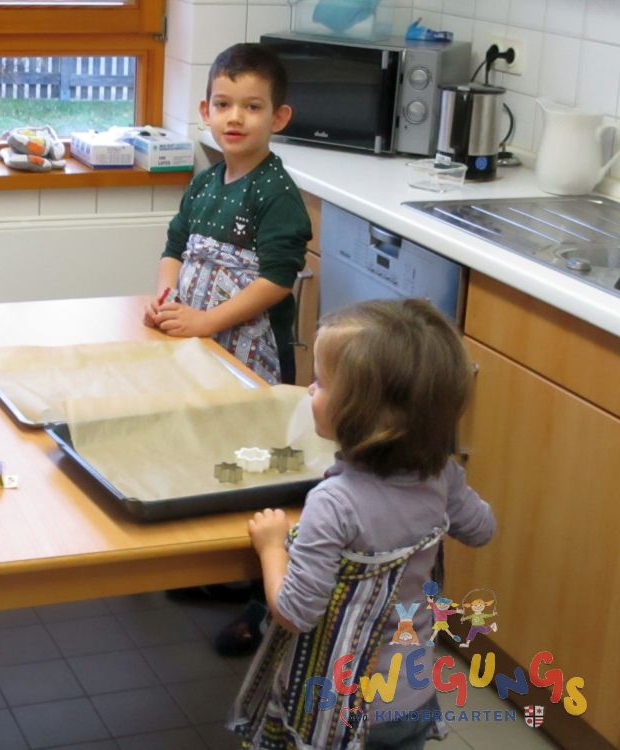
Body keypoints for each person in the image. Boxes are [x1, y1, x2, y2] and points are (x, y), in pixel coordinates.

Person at [229, 298, 496, 750]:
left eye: (320, 383)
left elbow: (295, 612)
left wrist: (272, 548)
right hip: (411, 696)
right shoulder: (441, 476)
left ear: (362, 415)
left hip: (338, 709)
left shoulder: (333, 504)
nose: (309, 391)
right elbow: (482, 528)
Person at [143, 42, 312, 655]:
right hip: (199, 344)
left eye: (252, 107)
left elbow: (276, 279)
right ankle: (223, 569)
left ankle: (261, 604)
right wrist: (164, 298)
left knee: (259, 468)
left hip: (248, 354)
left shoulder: (276, 194)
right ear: (205, 110)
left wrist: (209, 321)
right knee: (209, 449)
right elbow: (174, 246)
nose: (235, 118)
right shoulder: (207, 181)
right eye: (223, 104)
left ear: (279, 118)